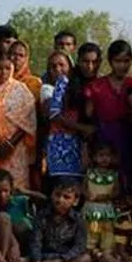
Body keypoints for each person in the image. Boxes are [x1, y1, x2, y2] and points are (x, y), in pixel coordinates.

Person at [85, 40, 132, 191]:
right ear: (110, 61)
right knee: (104, 178)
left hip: (128, 136)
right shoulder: (96, 86)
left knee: (127, 178)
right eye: (118, 61)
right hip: (104, 136)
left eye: (126, 61)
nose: (122, 65)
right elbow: (88, 115)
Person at [0, 51, 37, 192]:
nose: (3, 72)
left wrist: (10, 144)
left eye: (7, 68)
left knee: (16, 188)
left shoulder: (21, 90)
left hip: (16, 148)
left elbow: (28, 121)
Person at [43, 51, 94, 183]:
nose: (58, 69)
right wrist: (83, 128)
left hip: (77, 146)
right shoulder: (60, 83)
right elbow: (54, 114)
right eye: (53, 66)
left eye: (62, 65)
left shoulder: (77, 85)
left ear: (70, 66)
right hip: (62, 146)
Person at [28, 180, 91, 262]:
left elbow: (79, 247)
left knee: (85, 259)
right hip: (44, 258)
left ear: (75, 201)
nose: (60, 200)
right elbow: (35, 242)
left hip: (64, 260)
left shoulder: (78, 220)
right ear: (52, 195)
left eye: (66, 197)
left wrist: (59, 260)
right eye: (57, 195)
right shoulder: (42, 216)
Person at [0, 168, 43, 258]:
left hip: (29, 247)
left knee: (21, 225)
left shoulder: (21, 201)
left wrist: (25, 192)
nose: (2, 195)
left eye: (6, 191)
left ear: (11, 190)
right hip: (6, 250)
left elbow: (45, 200)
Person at [83, 141, 120, 257]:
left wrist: (105, 197)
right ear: (94, 157)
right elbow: (83, 188)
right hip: (92, 208)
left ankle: (106, 251)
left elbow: (116, 191)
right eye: (101, 155)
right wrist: (87, 195)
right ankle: (91, 250)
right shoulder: (89, 173)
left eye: (108, 156)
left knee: (107, 231)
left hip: (106, 208)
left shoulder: (113, 175)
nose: (105, 159)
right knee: (93, 230)